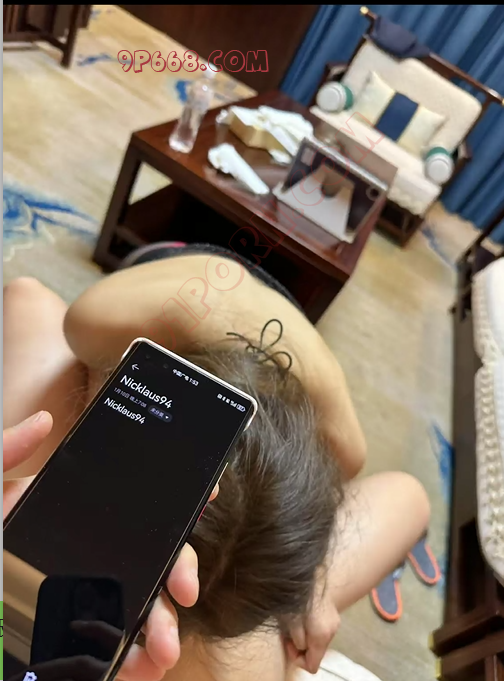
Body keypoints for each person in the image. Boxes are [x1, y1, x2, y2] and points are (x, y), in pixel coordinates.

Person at [3, 246, 430, 681]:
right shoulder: (103, 320)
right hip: (174, 282)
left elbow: (408, 495)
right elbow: (26, 294)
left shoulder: (337, 449)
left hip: (249, 325)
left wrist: (315, 582)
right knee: (32, 301)